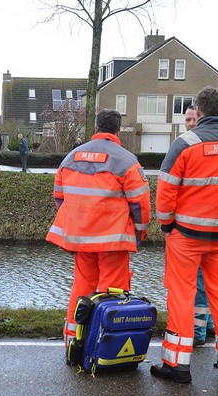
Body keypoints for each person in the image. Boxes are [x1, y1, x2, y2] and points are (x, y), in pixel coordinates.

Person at [152, 86, 218, 384]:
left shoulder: (185, 144)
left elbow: (166, 191)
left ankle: (178, 365)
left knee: (182, 294)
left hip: (185, 235)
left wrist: (167, 224)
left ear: (198, 112)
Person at [46, 108, 151, 351]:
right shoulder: (126, 160)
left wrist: (76, 223)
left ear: (96, 128)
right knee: (111, 293)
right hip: (113, 240)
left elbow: (59, 198)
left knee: (81, 288)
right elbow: (140, 203)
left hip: (80, 238)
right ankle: (104, 345)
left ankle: (73, 341)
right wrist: (139, 233)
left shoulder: (71, 157)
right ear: (117, 131)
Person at [185, 105, 215, 347]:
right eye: (187, 119)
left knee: (199, 282)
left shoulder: (199, 147)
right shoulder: (185, 143)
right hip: (213, 225)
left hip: (197, 226)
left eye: (193, 119)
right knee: (207, 281)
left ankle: (198, 330)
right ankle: (211, 324)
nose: (190, 123)